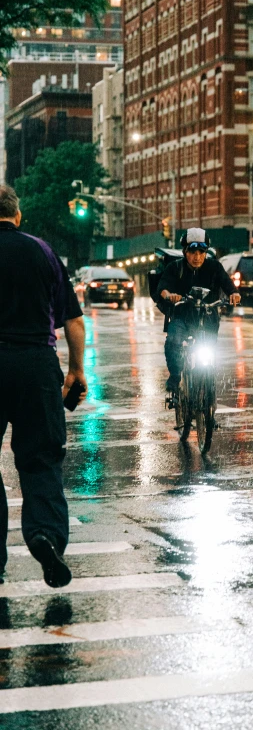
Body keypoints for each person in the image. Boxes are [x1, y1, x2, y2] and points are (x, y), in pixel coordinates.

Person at [0, 185, 87, 588]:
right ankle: (45, 535)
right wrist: (76, 371)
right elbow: (73, 321)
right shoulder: (43, 251)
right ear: (18, 217)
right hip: (36, 363)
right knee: (41, 460)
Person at [156, 228, 241, 403]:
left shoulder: (214, 267)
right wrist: (168, 295)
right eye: (192, 252)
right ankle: (175, 376)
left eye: (201, 252)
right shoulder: (175, 268)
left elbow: (228, 284)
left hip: (207, 319)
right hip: (182, 318)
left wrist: (234, 293)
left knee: (207, 353)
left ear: (205, 252)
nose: (197, 257)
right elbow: (162, 287)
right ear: (184, 252)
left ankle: (207, 396)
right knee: (173, 341)